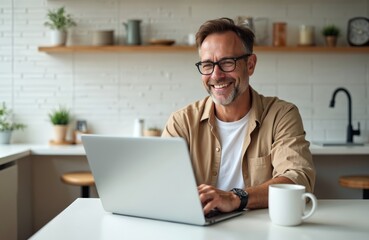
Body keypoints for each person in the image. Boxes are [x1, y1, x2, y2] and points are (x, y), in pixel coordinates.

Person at [162, 18, 315, 215]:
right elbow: (163, 183)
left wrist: (236, 198)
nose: (216, 75)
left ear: (250, 64)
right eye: (208, 65)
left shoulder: (281, 115)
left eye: (227, 62)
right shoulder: (181, 122)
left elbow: (298, 178)